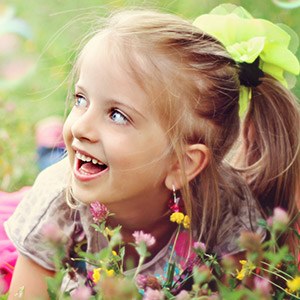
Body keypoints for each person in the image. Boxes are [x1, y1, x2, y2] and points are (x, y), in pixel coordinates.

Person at [4, 5, 300, 299]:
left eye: (117, 115)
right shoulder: (56, 206)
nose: (81, 126)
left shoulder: (228, 212)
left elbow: (243, 292)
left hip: (97, 165)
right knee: (57, 162)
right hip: (81, 169)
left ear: (181, 163)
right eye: (81, 99)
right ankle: (48, 145)